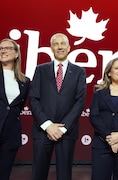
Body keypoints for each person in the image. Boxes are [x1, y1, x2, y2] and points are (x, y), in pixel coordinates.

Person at [29, 33, 86, 180]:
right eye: (56, 44)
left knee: (64, 175)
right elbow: (34, 99)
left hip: (66, 132)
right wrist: (47, 125)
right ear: (51, 48)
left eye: (63, 44)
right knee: (38, 174)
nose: (59, 46)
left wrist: (62, 128)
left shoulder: (79, 72)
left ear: (69, 48)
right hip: (42, 130)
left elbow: (80, 102)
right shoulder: (41, 70)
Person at [0, 38, 30, 180]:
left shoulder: (25, 81)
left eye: (7, 48)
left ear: (16, 54)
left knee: (4, 173)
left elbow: (18, 107)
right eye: (1, 48)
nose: (3, 50)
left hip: (11, 134)